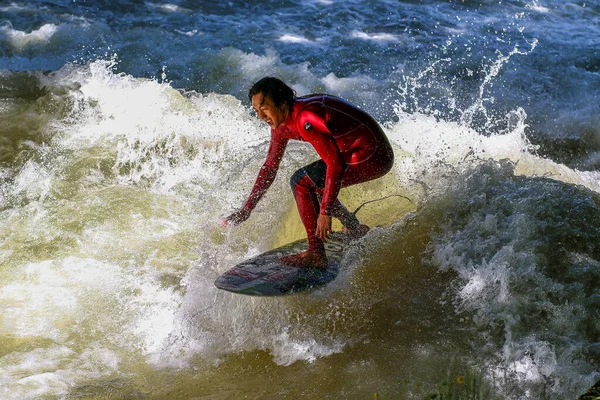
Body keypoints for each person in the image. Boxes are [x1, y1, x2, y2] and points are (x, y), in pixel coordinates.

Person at [222, 77, 394, 268]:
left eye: (264, 109)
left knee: (301, 182)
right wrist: (247, 209)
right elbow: (270, 167)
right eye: (256, 111)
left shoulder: (306, 118)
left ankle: (316, 254)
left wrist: (325, 211)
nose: (261, 117)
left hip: (374, 155)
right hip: (351, 152)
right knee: (316, 183)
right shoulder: (280, 124)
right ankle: (354, 228)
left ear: (282, 104)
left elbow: (334, 164)